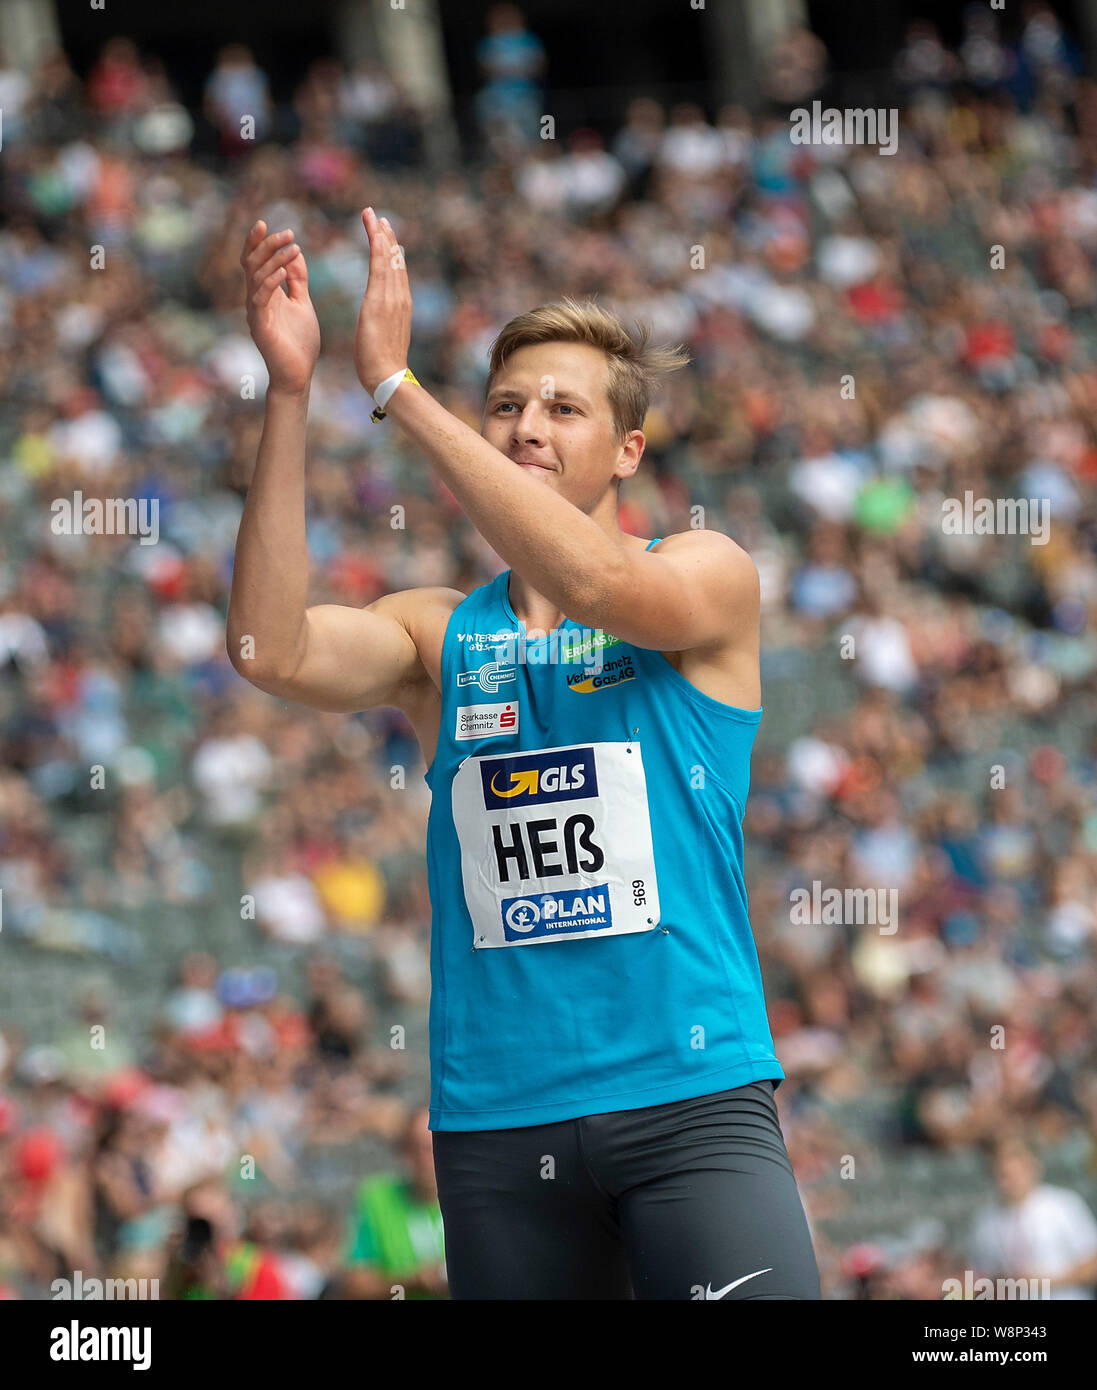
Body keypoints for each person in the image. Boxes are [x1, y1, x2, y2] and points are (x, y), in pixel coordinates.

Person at [228, 212, 820, 1299]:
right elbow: (268, 649)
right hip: (500, 1123)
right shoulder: (438, 634)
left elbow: (601, 588)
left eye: (561, 408)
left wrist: (401, 391)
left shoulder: (705, 573)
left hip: (689, 1100)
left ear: (627, 450)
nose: (524, 426)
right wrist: (289, 392)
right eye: (505, 405)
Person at [969, 1138, 1097, 1299]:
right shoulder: (985, 1221)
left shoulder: (1064, 1205)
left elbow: (1092, 1267)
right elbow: (980, 1277)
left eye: (1019, 1170)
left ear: (1034, 1167)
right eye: (1004, 1174)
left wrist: (1040, 1282)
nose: (1012, 1180)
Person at [342, 1108, 447, 1299]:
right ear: (405, 1153)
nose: (428, 1158)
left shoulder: (473, 1201)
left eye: (435, 1146)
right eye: (419, 1148)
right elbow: (355, 1288)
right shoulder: (378, 1200)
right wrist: (413, 1282)